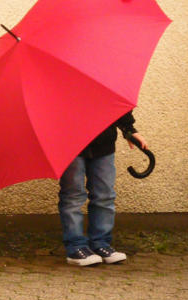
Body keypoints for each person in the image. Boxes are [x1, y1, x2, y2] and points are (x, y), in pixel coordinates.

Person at [58, 111, 148, 266]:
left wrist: (129, 129)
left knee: (104, 195)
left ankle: (101, 244)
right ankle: (76, 247)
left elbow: (115, 103)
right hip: (69, 141)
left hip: (103, 142)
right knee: (73, 196)